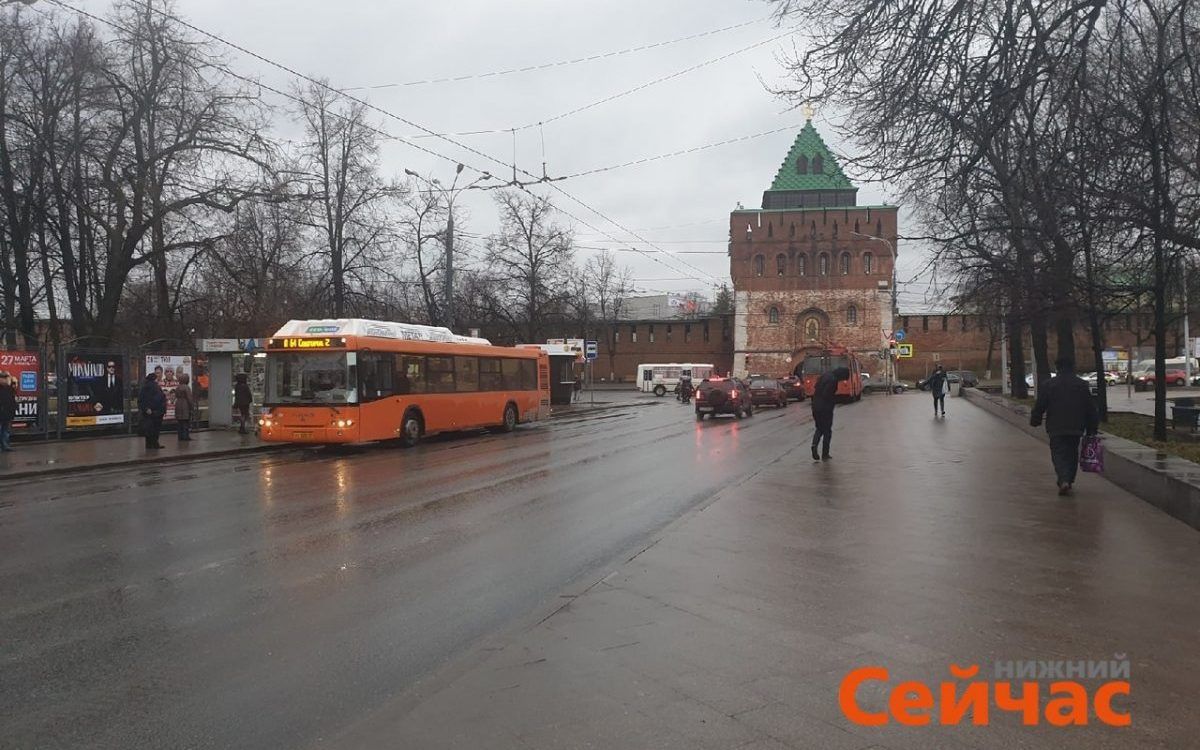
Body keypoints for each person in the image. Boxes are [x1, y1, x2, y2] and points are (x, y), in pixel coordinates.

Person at [1030, 356, 1100, 495]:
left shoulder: (1049, 384)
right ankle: (1069, 479)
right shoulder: (1081, 385)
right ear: (1072, 367)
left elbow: (1040, 405)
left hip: (1056, 426)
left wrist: (1035, 420)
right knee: (1072, 453)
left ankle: (1063, 479)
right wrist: (1092, 427)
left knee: (1058, 453)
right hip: (1076, 426)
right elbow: (1090, 408)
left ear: (1057, 368)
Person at [811, 366, 850, 461]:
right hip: (825, 408)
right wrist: (837, 399)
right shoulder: (833, 380)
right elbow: (827, 394)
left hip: (815, 406)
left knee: (819, 428)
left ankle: (814, 444)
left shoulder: (825, 375)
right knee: (827, 431)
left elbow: (816, 388)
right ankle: (825, 454)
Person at [138, 373, 166, 449]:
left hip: (148, 412)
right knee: (155, 429)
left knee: (149, 429)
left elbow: (140, 400)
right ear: (154, 379)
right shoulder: (155, 387)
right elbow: (159, 399)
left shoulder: (144, 387)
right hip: (156, 412)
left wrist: (146, 409)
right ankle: (155, 444)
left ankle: (149, 445)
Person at [0, 372, 17, 452]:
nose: (5, 380)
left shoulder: (9, 388)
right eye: (3, 378)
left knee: (5, 430)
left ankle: (5, 445)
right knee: (2, 429)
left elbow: (12, 400)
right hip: (2, 412)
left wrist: (12, 411)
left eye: (6, 378)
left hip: (7, 413)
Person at [174, 373, 193, 442]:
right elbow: (189, 398)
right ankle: (185, 436)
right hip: (185, 405)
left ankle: (180, 436)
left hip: (178, 404)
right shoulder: (187, 387)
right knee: (185, 422)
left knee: (180, 422)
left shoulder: (178, 387)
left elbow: (176, 395)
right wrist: (191, 407)